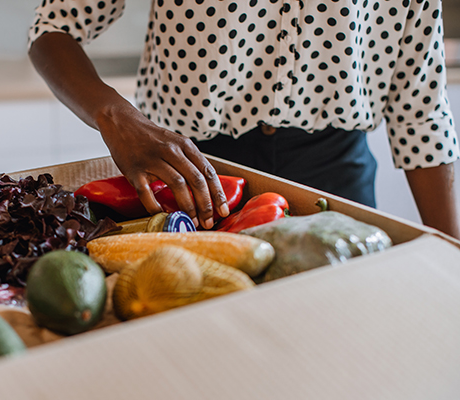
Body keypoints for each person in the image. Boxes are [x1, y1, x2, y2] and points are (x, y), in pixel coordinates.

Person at [27, 0, 460, 239]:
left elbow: (419, 105)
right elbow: (54, 27)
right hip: (187, 175)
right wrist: (113, 115)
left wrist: (450, 251)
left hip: (333, 181)